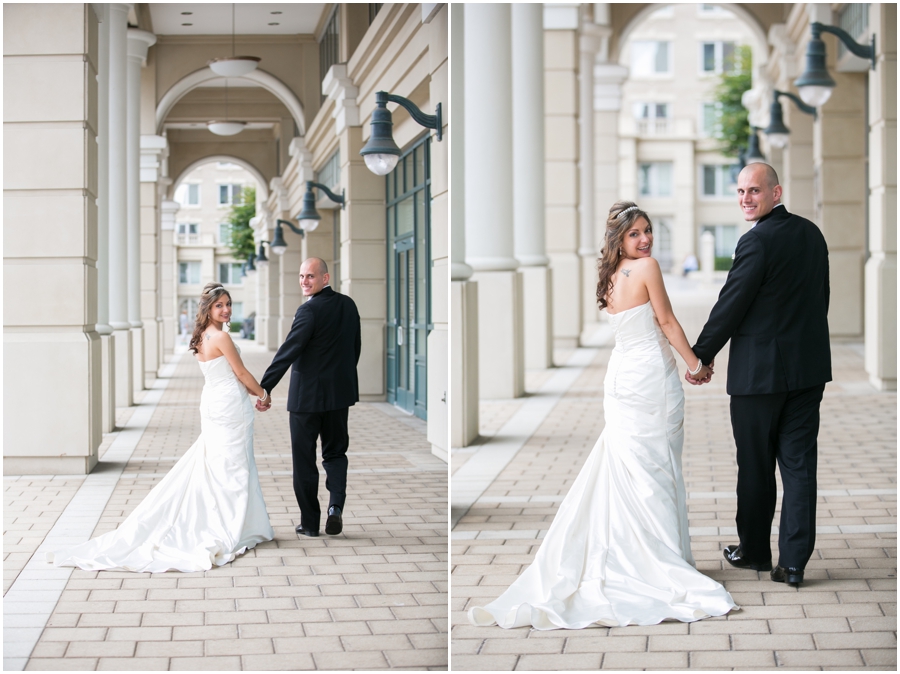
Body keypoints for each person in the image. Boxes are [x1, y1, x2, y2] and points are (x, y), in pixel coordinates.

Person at [468, 202, 737, 630]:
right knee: (657, 468)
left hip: (621, 379)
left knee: (631, 467)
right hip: (649, 378)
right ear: (619, 240)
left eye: (647, 231)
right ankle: (660, 560)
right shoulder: (646, 269)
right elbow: (666, 322)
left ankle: (636, 553)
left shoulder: (611, 276)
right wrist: (695, 365)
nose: (645, 239)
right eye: (635, 233)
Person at [48, 284, 274, 572]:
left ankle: (233, 519)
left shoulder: (202, 337)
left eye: (228, 304)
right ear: (208, 308)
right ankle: (234, 524)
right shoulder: (221, 337)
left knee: (219, 462)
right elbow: (240, 373)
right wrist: (264, 395)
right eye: (220, 305)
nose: (226, 309)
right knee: (235, 463)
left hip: (214, 402)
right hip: (230, 404)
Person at [687, 163, 830, 588]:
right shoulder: (812, 234)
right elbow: (820, 297)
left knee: (755, 466)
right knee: (799, 466)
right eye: (741, 191)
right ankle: (793, 564)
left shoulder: (756, 242)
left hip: (759, 378)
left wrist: (700, 355)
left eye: (754, 190)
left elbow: (731, 304)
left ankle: (754, 552)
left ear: (776, 192)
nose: (746, 198)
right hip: (808, 370)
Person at [256, 258, 361, 538]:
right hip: (340, 395)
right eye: (301, 276)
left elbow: (287, 352)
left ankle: (310, 524)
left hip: (307, 400)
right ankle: (335, 507)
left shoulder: (308, 310)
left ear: (325, 278)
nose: (304, 281)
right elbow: (355, 349)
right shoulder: (348, 305)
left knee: (304, 461)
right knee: (336, 453)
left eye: (310, 276)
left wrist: (264, 389)